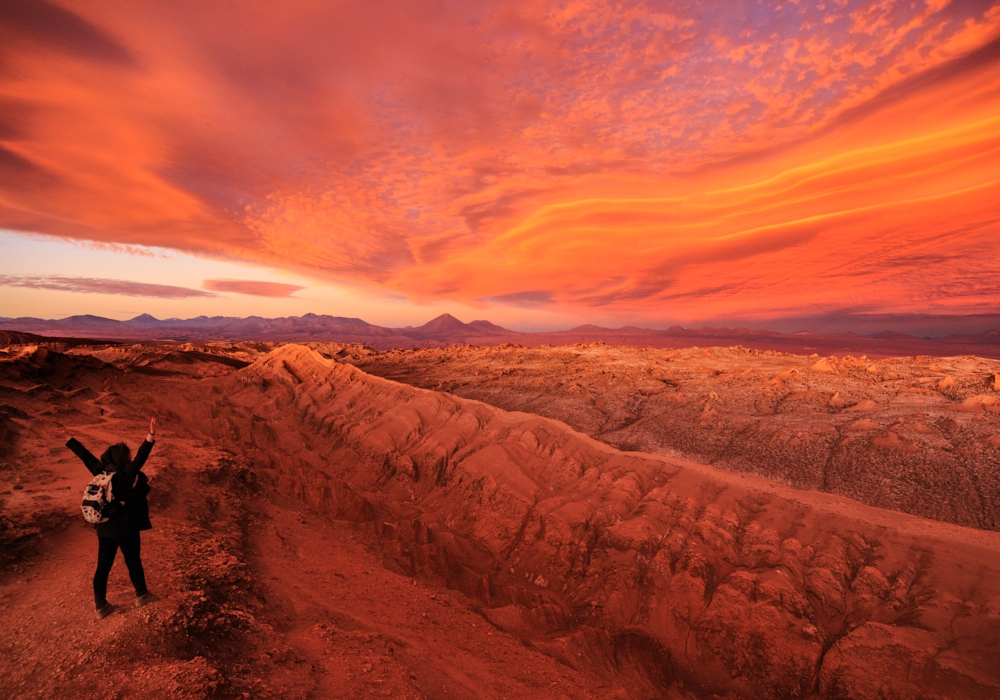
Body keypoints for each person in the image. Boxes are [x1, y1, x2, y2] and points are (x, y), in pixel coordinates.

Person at [65, 418, 160, 620]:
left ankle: (101, 606)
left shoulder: (99, 471)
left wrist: (69, 439)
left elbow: (85, 456)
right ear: (124, 459)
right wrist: (150, 435)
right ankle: (142, 595)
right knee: (133, 560)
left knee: (103, 566)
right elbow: (142, 456)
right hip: (126, 527)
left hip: (104, 528)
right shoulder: (125, 473)